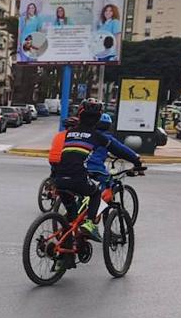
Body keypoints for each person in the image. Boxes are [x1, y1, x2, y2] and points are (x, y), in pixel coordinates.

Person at [51, 101, 143, 242]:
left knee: (71, 219)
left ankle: (64, 256)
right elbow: (119, 149)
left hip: (59, 179)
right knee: (95, 193)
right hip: (79, 178)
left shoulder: (69, 133)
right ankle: (90, 223)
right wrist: (136, 161)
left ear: (80, 116)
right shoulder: (97, 136)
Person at [85, 112, 140, 188]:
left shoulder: (87, 135)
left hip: (78, 167)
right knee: (108, 182)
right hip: (94, 167)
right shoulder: (106, 138)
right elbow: (121, 149)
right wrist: (136, 159)